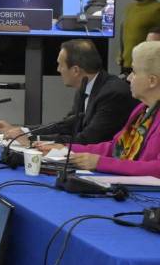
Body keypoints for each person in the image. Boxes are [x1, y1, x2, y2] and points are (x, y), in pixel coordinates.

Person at [0, 39, 135, 146]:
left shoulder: (113, 94)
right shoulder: (86, 85)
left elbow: (88, 139)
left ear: (76, 70)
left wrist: (31, 139)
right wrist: (22, 130)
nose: (58, 70)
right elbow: (67, 125)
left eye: (60, 64)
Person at [50, 41, 160, 178]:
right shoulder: (142, 110)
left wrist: (100, 163)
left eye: (134, 72)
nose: (130, 78)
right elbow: (115, 147)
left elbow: (157, 169)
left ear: (152, 81)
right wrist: (67, 148)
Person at [119, 0, 160, 74]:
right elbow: (124, 33)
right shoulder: (129, 8)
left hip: (145, 68)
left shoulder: (157, 9)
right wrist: (121, 54)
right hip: (125, 65)